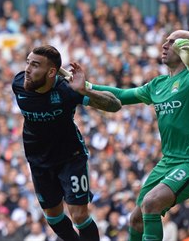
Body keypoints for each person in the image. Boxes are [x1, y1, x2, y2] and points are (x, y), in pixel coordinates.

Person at [90, 30, 189, 240]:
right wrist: (86, 88)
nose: (164, 45)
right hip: (168, 162)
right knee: (136, 219)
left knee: (150, 203)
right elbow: (122, 95)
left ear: (187, 49)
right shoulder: (157, 85)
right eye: (165, 41)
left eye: (172, 42)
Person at [11, 45, 122, 240]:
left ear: (52, 71)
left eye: (35, 65)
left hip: (70, 158)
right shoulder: (19, 83)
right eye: (28, 63)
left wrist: (86, 90)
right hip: (38, 161)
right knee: (53, 217)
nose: (27, 69)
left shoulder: (68, 91)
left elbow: (114, 105)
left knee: (79, 215)